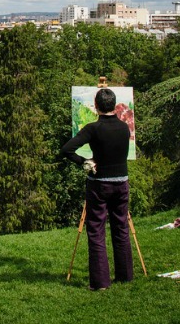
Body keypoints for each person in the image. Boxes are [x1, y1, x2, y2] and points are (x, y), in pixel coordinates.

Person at [61, 88, 133, 291]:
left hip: (100, 183)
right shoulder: (125, 127)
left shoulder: (93, 128)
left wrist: (85, 162)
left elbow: (66, 149)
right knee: (121, 228)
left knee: (96, 231)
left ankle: (101, 282)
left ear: (96, 105)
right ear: (115, 105)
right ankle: (125, 276)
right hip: (122, 183)